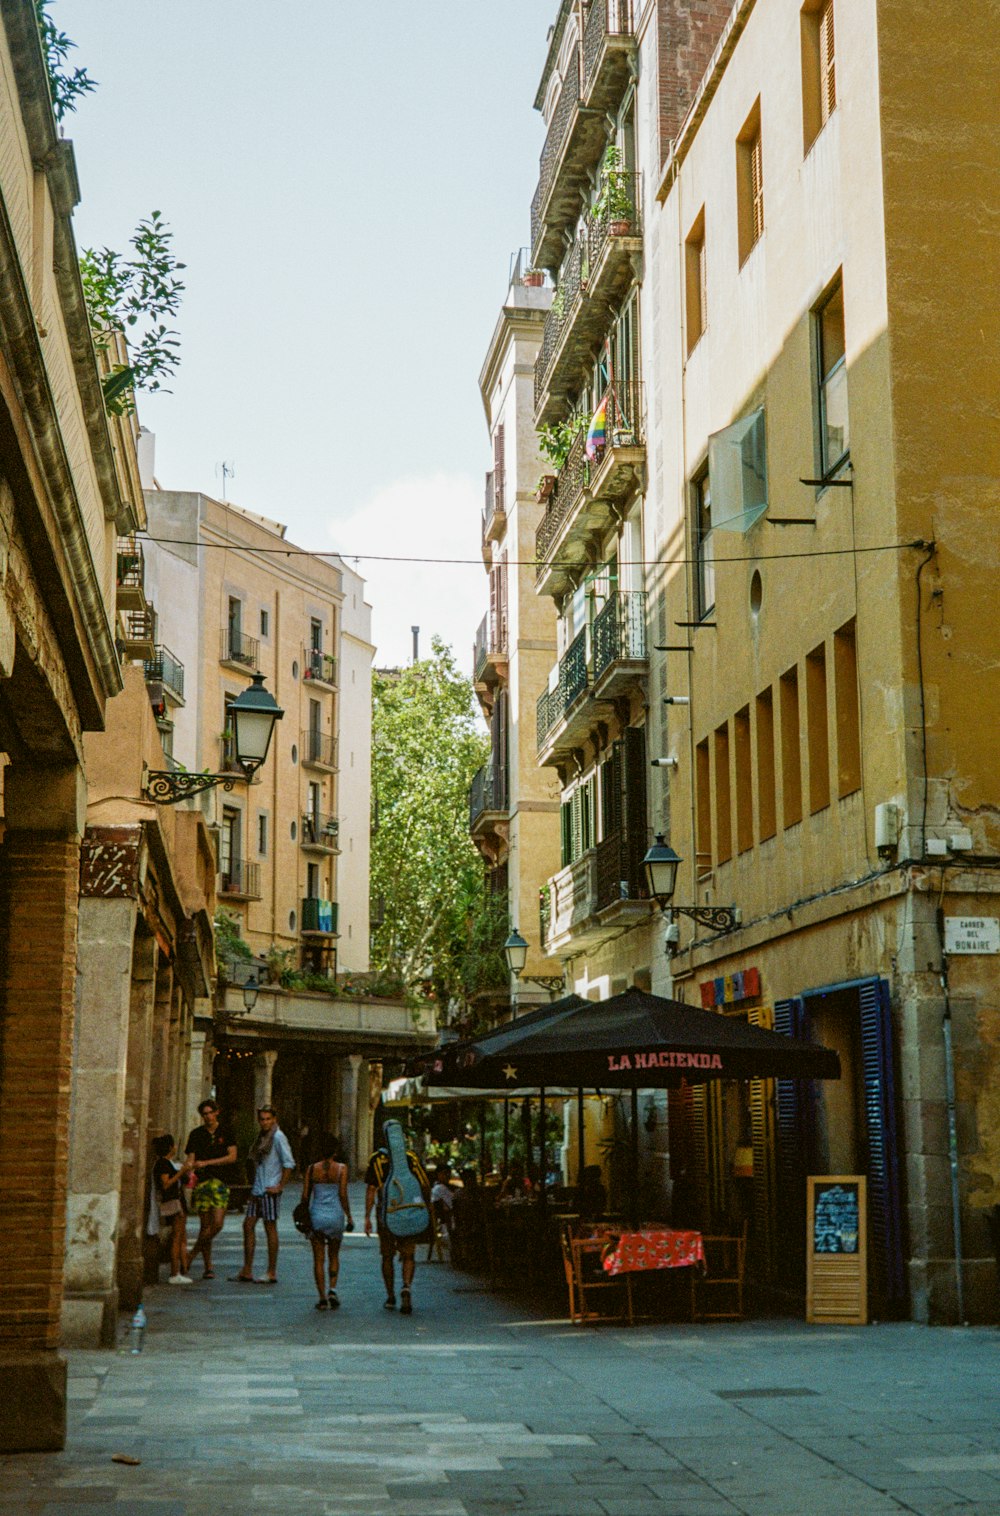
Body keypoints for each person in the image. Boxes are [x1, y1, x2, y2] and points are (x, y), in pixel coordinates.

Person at [364, 1131, 431, 1315]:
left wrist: (367, 1217)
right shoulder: (410, 1158)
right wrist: (425, 1208)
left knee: (387, 1256)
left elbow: (371, 1189)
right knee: (408, 1254)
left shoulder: (377, 1159)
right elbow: (424, 1184)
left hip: (386, 1214)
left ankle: (391, 1296)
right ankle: (407, 1286)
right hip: (409, 1211)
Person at [232, 1105, 295, 1284]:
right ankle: (247, 1269)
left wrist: (280, 1186)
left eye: (268, 1119)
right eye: (262, 1119)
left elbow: (289, 1163)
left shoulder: (278, 1137)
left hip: (269, 1189)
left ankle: (271, 1271)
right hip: (258, 1189)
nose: (265, 1122)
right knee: (248, 1225)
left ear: (274, 1119)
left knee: (270, 1227)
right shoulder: (262, 1137)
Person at [184, 1099, 238, 1280]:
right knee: (204, 1226)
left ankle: (191, 1254)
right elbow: (190, 1158)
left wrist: (207, 1162)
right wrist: (189, 1168)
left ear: (216, 1112)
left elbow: (232, 1157)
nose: (207, 1117)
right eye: (204, 1114)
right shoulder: (196, 1134)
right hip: (202, 1182)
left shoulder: (226, 1131)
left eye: (209, 1113)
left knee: (217, 1224)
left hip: (220, 1181)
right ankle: (208, 1267)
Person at [301, 1132, 352, 1310]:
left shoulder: (311, 1169)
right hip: (336, 1216)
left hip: (316, 1216)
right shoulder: (341, 1169)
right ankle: (333, 1289)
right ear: (335, 1151)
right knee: (334, 1255)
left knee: (318, 1259)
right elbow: (343, 1195)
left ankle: (322, 1297)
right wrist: (349, 1216)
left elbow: (305, 1196)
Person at [152, 1134, 193, 1284]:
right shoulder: (163, 1164)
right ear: (170, 1147)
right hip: (172, 1202)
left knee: (181, 1236)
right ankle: (174, 1272)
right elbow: (166, 1184)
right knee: (176, 1237)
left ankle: (183, 1268)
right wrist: (181, 1172)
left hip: (177, 1201)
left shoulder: (168, 1163)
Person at [430, 1164, 455, 1242]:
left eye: (448, 1173)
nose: (447, 1176)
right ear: (438, 1174)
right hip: (445, 1225)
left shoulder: (446, 1187)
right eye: (444, 1173)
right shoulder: (438, 1189)